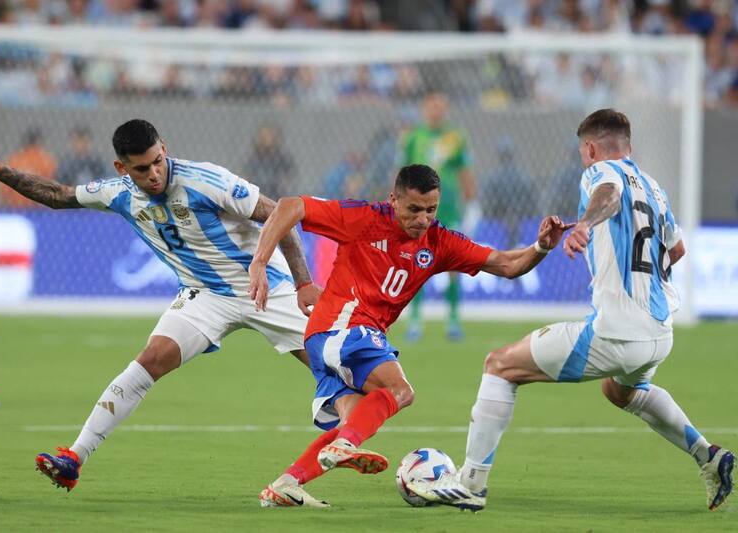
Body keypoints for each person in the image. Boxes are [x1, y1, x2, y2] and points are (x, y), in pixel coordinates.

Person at [0, 119, 321, 491]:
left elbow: (281, 217)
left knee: (336, 366)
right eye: (142, 168)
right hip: (204, 295)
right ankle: (74, 458)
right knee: (149, 360)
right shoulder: (119, 193)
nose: (155, 173)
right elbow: (58, 195)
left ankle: (346, 436)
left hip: (266, 286)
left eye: (158, 160)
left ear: (164, 147)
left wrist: (303, 283)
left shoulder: (206, 180)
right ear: (121, 168)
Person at [408, 109, 735, 512]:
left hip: (618, 331)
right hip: (658, 332)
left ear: (591, 148)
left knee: (499, 366)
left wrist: (585, 224)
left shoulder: (599, 173)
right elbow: (678, 249)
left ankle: (471, 483)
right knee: (620, 389)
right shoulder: (655, 188)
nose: (585, 160)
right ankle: (709, 456)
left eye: (585, 153)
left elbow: (609, 195)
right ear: (628, 146)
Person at [247, 163, 570, 507]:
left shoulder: (440, 241)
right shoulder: (364, 218)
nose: (422, 219)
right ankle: (345, 446)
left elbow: (507, 264)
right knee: (400, 391)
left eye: (430, 210)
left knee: (354, 419)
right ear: (394, 200)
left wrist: (541, 247)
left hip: (332, 339)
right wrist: (260, 262)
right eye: (413, 209)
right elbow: (288, 206)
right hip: (345, 328)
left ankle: (286, 484)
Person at [398, 90, 477, 342]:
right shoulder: (413, 137)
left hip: (449, 206)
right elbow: (403, 174)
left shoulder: (455, 137)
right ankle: (415, 319)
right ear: (424, 107)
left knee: (453, 262)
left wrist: (472, 202)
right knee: (414, 261)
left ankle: (453, 318)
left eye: (441, 106)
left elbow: (464, 171)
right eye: (432, 105)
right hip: (417, 210)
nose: (437, 110)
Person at [0, 128, 57, 208]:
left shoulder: (15, 158)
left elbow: (4, 188)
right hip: (37, 206)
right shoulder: (46, 160)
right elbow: (52, 185)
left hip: (15, 206)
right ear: (38, 142)